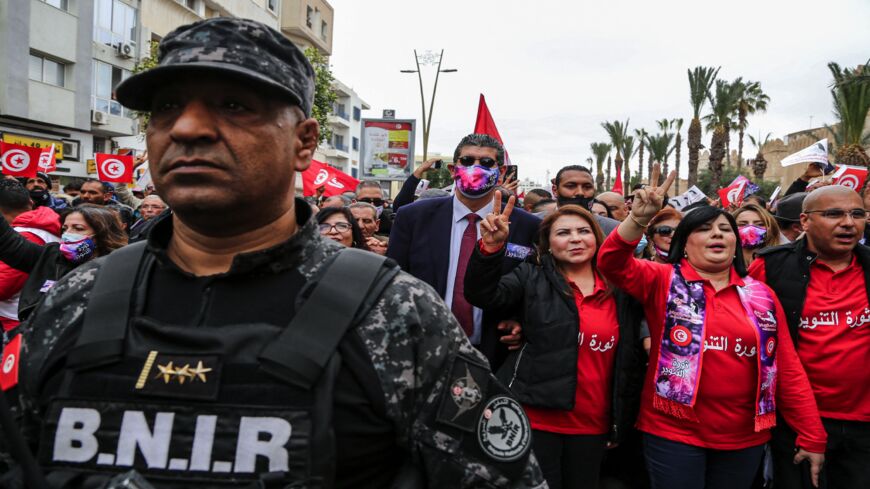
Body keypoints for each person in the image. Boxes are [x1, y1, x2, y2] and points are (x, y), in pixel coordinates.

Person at [1, 18, 543, 488]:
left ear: (305, 142)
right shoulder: (78, 299)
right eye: (167, 108)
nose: (187, 128)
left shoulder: (396, 315)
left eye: (234, 107)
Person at [597, 165, 826, 489]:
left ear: (736, 242)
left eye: (725, 228)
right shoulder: (661, 279)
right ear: (685, 242)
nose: (717, 234)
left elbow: (787, 368)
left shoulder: (761, 294)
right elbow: (611, 263)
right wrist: (637, 219)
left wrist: (813, 434)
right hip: (674, 433)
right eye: (704, 228)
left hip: (745, 438)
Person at [465, 196, 645, 489]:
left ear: (598, 240)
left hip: (594, 425)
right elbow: (483, 296)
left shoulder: (621, 288)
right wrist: (491, 248)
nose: (575, 239)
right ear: (547, 244)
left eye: (584, 231)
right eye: (563, 233)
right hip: (535, 421)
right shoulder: (531, 277)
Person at [749, 185, 870, 489]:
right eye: (833, 214)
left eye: (858, 214)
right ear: (804, 221)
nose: (848, 222)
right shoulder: (770, 266)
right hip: (796, 425)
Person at [387, 133, 541, 368]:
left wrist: (521, 321)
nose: (476, 168)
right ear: (453, 169)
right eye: (467, 161)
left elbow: (534, 287)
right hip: (423, 348)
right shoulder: (413, 217)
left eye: (486, 163)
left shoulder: (527, 225)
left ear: (499, 172)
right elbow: (394, 279)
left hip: (495, 353)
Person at [0, 204, 126, 324]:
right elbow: (9, 243)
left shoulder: (116, 270)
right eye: (65, 229)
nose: (68, 234)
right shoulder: (50, 256)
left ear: (101, 235)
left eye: (78, 228)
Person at [0, 180, 61, 332]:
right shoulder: (45, 223)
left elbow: (3, 286)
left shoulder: (26, 235)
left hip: (14, 320)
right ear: (30, 201)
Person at [551, 165, 620, 235]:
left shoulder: (614, 229)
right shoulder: (540, 223)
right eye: (570, 186)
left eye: (587, 187)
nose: (580, 193)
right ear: (555, 190)